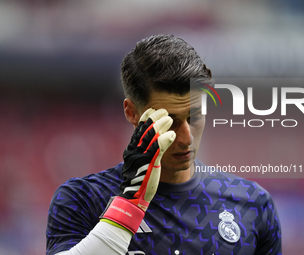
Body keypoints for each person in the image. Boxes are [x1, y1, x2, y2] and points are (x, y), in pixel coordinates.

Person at [46, 34, 282, 255]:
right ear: (131, 113)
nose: (186, 137)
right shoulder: (83, 199)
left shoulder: (253, 203)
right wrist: (131, 202)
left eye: (195, 117)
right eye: (170, 121)